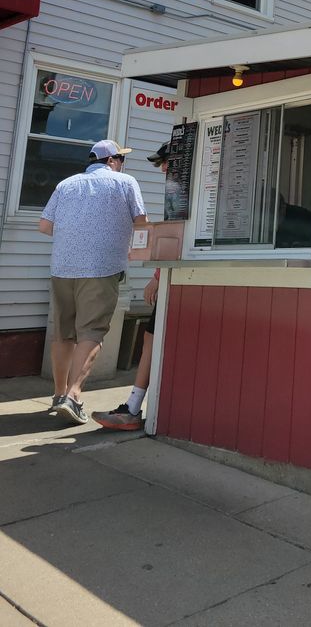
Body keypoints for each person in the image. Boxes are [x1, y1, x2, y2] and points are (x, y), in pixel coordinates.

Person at [39, 139, 147, 426]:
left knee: (63, 334)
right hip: (101, 268)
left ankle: (59, 394)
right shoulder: (125, 182)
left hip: (62, 267)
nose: (123, 164)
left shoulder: (65, 184)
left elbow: (44, 226)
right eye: (121, 159)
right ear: (111, 161)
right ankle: (73, 397)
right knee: (92, 332)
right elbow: (142, 222)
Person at [92, 142, 168, 431]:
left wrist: (158, 277)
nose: (163, 168)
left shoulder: (192, 191)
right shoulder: (181, 191)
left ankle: (134, 408)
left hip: (182, 286)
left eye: (166, 161)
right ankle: (133, 407)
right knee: (151, 338)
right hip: (172, 281)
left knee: (153, 339)